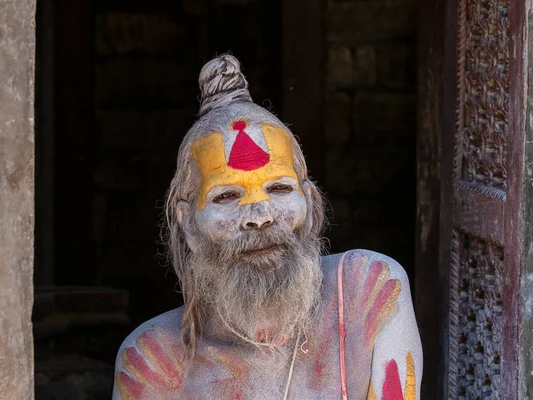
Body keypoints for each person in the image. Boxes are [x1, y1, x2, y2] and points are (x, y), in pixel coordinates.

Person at [112, 54, 422, 400]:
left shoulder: (370, 289)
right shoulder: (152, 360)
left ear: (309, 201)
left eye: (279, 188)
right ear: (188, 226)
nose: (260, 215)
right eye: (226, 195)